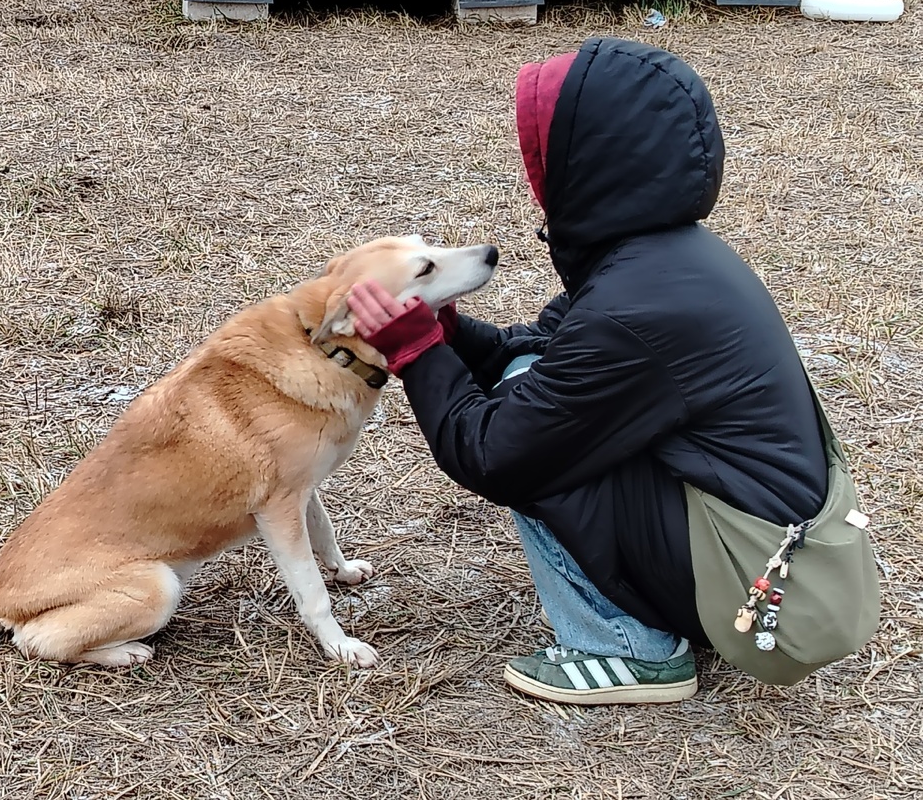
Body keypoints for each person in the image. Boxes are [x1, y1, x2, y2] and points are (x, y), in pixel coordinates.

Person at [346, 37, 878, 706]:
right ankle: (654, 614)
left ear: (586, 161)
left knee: (527, 428)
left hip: (771, 592)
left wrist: (417, 354)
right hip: (771, 552)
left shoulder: (637, 306)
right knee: (533, 384)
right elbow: (543, 349)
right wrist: (448, 331)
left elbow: (493, 455)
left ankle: (631, 650)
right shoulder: (660, 259)